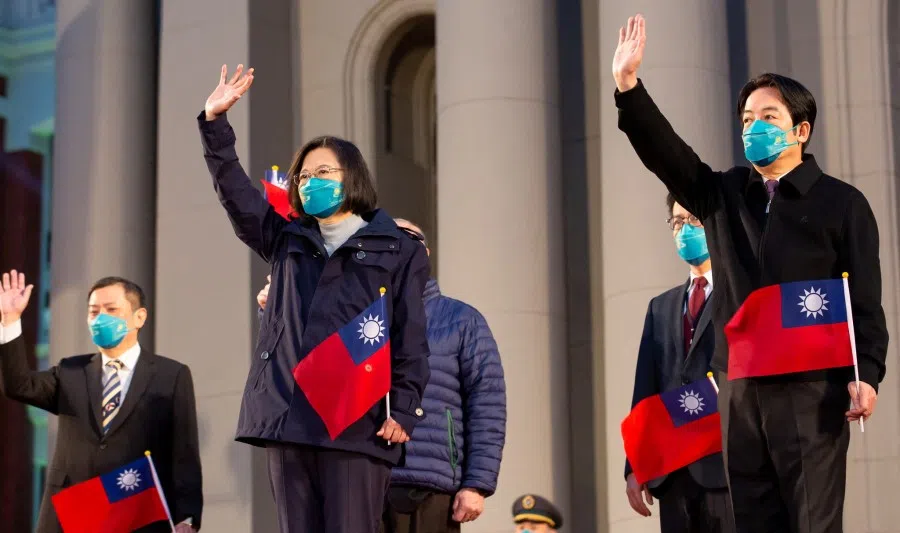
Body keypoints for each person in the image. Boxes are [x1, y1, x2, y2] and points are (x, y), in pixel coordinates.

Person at [612, 14, 889, 533]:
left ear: (800, 130)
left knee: (812, 522)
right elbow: (668, 157)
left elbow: (865, 304)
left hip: (812, 391)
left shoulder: (841, 204)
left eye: (767, 116)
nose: (752, 127)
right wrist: (628, 88)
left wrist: (866, 374)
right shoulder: (725, 195)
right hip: (740, 394)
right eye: (745, 119)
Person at [199, 64, 431, 533]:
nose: (310, 182)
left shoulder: (398, 248)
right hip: (289, 417)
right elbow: (236, 196)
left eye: (323, 172)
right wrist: (215, 124)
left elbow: (410, 334)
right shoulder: (286, 239)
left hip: (357, 421)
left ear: (352, 178)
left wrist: (404, 408)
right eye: (303, 176)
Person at [261, 219, 507, 533]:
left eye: (407, 241)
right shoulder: (348, 314)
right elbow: (303, 366)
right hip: (357, 474)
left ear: (425, 254)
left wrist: (477, 484)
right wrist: (275, 309)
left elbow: (487, 405)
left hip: (430, 484)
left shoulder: (461, 320)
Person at [0, 271, 202, 533]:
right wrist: (10, 320)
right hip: (71, 513)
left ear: (139, 317)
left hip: (136, 513)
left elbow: (184, 452)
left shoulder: (171, 375)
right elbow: (19, 386)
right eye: (93, 311)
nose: (99, 318)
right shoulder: (71, 371)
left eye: (111, 309)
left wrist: (187, 518)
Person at [624, 194, 733, 533]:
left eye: (694, 220)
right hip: (672, 472)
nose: (684, 230)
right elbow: (645, 391)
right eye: (677, 222)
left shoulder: (739, 295)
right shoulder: (661, 307)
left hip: (725, 466)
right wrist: (634, 465)